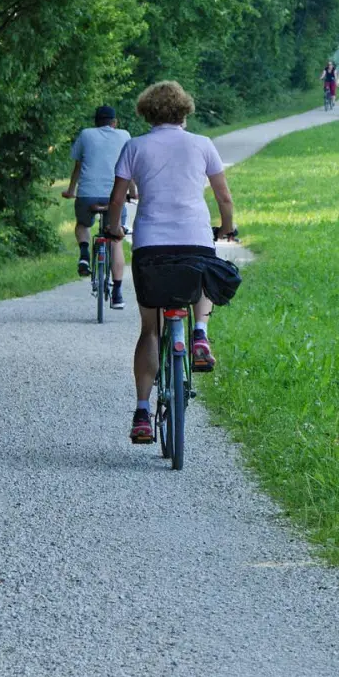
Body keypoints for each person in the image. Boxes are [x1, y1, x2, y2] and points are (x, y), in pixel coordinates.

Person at [103, 81, 241, 445]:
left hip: (151, 245)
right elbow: (224, 198)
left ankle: (143, 412)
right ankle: (199, 335)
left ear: (146, 112)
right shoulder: (202, 145)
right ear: (185, 111)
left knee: (150, 329)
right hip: (194, 237)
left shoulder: (134, 146)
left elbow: (117, 199)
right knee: (203, 273)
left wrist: (114, 228)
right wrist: (226, 229)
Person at [62, 104, 132, 309]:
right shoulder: (125, 135)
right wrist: (134, 191)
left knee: (83, 224)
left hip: (87, 194)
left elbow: (78, 165)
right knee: (115, 238)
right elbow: (128, 169)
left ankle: (84, 255)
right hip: (115, 195)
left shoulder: (86, 134)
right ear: (114, 122)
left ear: (95, 122)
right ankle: (118, 294)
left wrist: (70, 190)